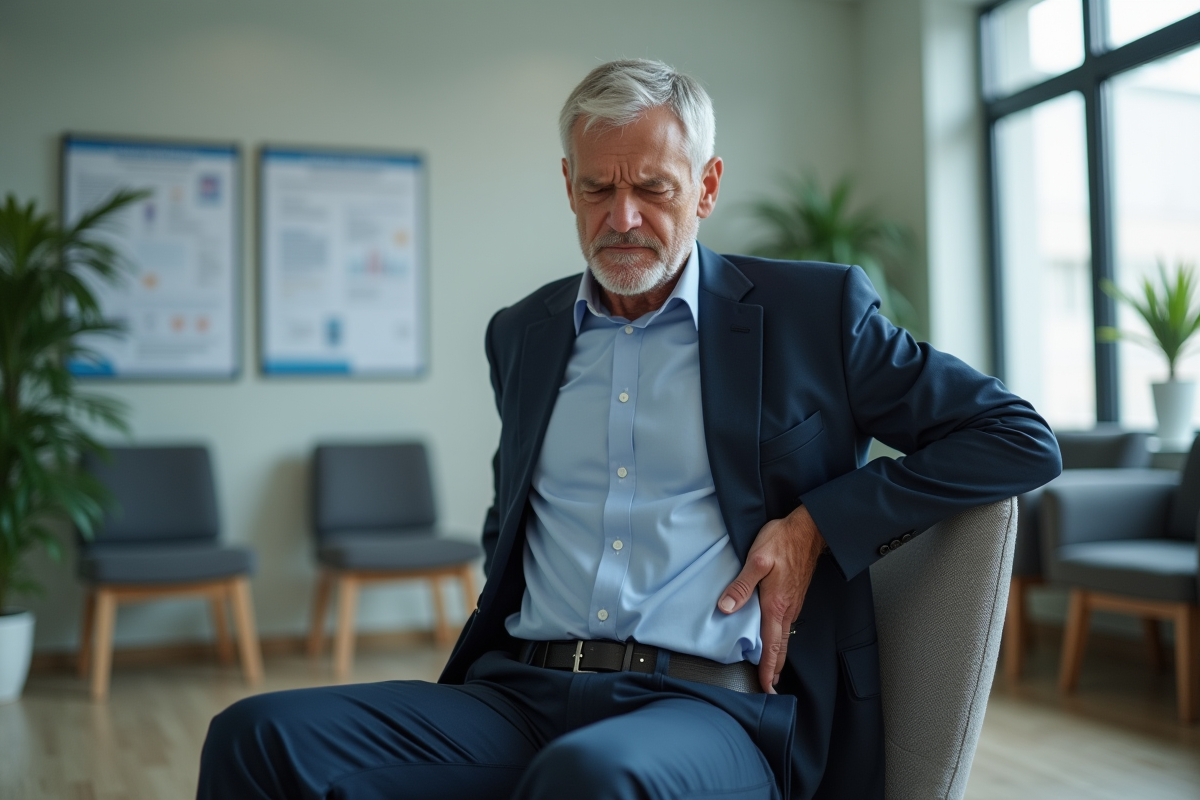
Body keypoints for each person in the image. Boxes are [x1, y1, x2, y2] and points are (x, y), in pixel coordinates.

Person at [197, 59, 1060, 800]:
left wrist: (819, 525)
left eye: (653, 189)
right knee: (255, 737)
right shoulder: (523, 333)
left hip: (709, 710)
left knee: (589, 779)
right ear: (567, 184)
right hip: (518, 694)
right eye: (598, 188)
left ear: (708, 187)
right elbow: (516, 517)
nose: (623, 219)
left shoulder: (813, 315)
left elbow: (1018, 436)